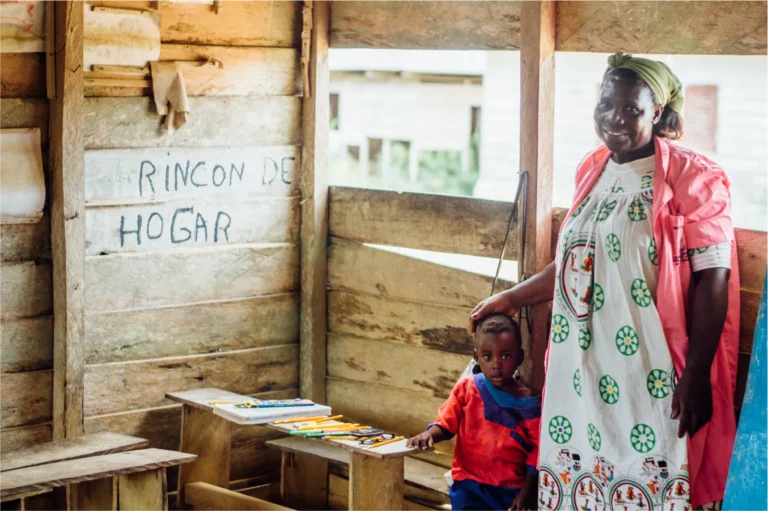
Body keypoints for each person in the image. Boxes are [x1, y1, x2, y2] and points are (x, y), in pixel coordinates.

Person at [470, 53, 739, 510]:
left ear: (656, 112)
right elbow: (576, 262)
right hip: (580, 367)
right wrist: (512, 297)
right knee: (583, 485)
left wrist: (695, 374)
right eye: (605, 105)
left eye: (631, 109)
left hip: (649, 369)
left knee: (653, 482)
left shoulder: (693, 176)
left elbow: (714, 275)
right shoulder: (591, 170)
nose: (614, 119)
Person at [407, 314, 540, 511]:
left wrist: (527, 491)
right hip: (468, 485)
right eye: (487, 356)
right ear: (477, 357)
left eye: (505, 356)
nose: (496, 364)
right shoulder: (467, 389)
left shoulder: (528, 403)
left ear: (519, 357)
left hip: (510, 490)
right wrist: (429, 435)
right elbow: (446, 423)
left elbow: (536, 451)